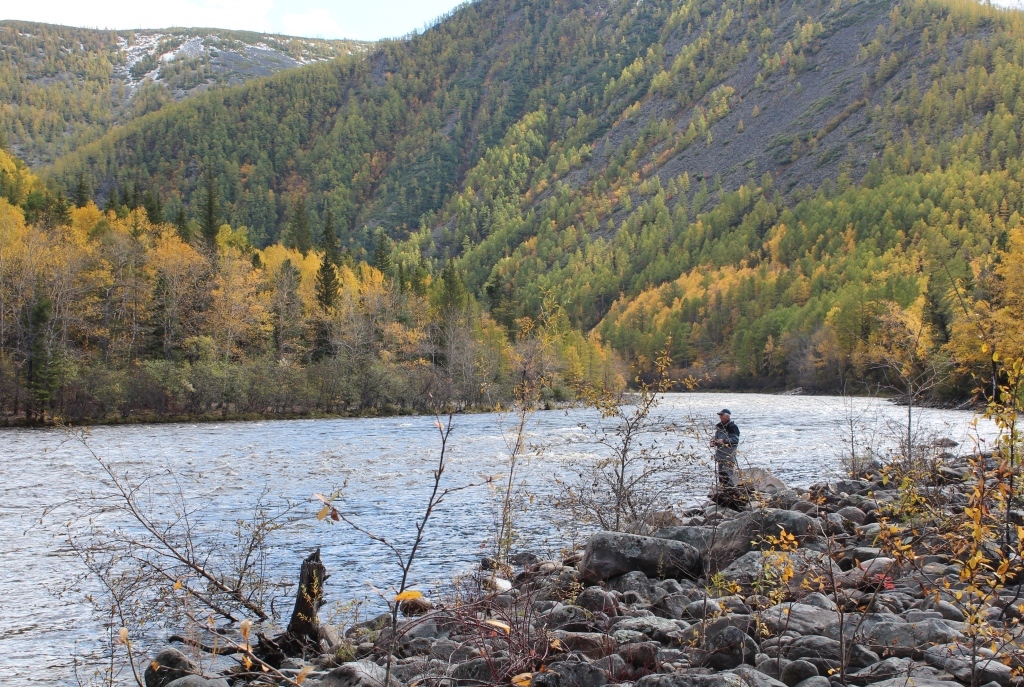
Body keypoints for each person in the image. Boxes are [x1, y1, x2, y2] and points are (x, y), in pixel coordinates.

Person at [711, 409, 740, 489]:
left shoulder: (732, 427)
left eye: (722, 415)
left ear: (727, 416)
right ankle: (723, 492)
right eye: (720, 415)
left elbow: (735, 440)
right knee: (721, 475)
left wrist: (724, 441)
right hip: (720, 456)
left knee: (729, 475)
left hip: (728, 456)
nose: (720, 417)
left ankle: (731, 492)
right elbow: (715, 438)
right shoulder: (719, 427)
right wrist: (713, 442)